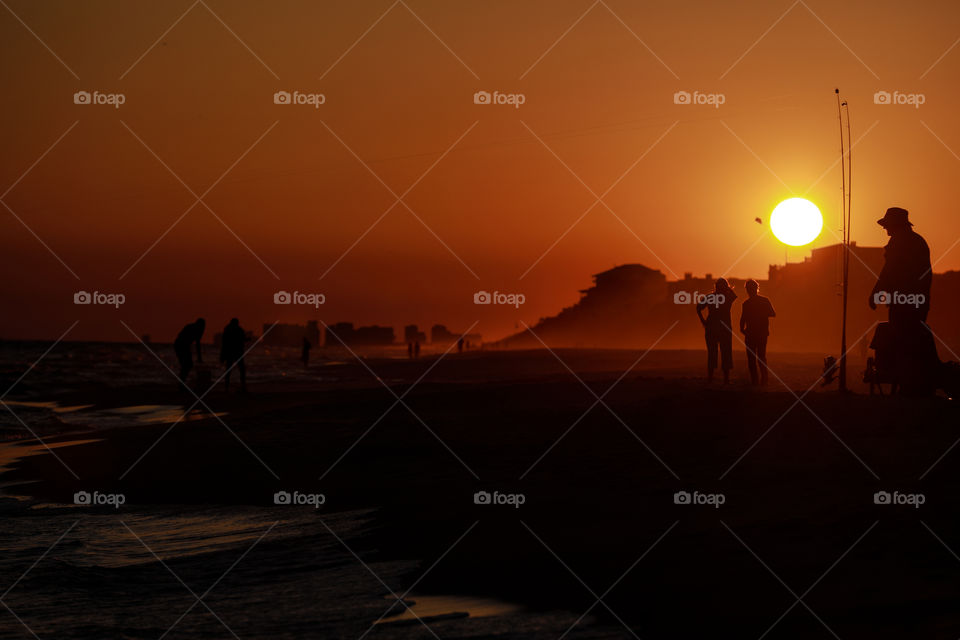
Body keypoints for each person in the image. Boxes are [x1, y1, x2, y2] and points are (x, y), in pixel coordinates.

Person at [868, 207, 937, 393]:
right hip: (917, 301)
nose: (885, 229)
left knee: (903, 340)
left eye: (887, 225)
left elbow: (889, 271)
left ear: (895, 225)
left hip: (903, 303)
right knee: (911, 341)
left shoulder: (899, 242)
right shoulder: (917, 241)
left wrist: (876, 292)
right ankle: (914, 384)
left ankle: (909, 385)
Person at [696, 278, 736, 383]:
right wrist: (703, 321)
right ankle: (724, 379)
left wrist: (703, 321)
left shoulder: (710, 296)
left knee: (713, 352)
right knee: (725, 352)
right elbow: (734, 294)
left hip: (712, 327)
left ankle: (711, 378)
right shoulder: (727, 297)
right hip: (722, 328)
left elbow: (698, 308)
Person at [739, 279, 776, 386]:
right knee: (760, 357)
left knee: (754, 358)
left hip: (754, 333)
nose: (750, 291)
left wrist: (742, 329)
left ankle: (757, 380)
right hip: (760, 333)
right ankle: (762, 380)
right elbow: (772, 313)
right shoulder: (764, 301)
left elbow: (743, 318)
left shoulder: (746, 303)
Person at [220, 318, 247, 394]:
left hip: (231, 352)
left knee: (230, 370)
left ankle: (227, 387)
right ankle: (241, 387)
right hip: (235, 352)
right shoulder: (237, 330)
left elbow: (224, 343)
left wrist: (222, 355)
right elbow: (225, 343)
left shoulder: (228, 329)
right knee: (240, 370)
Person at [174, 318, 205, 384]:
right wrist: (199, 357)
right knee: (187, 364)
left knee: (187, 365)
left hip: (182, 345)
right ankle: (181, 383)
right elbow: (197, 344)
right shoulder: (197, 329)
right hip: (181, 345)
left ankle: (182, 382)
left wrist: (199, 357)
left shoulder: (191, 326)